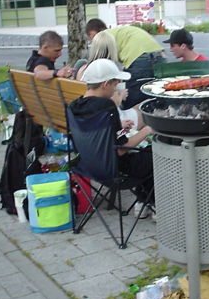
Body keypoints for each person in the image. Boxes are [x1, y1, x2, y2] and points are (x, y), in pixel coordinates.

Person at [69, 59, 154, 212]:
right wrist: (147, 130)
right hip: (114, 170)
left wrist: (119, 127)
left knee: (143, 152)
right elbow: (121, 149)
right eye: (115, 85)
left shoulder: (75, 106)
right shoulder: (106, 106)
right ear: (105, 83)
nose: (116, 90)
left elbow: (96, 133)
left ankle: (143, 203)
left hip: (87, 166)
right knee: (155, 154)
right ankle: (150, 202)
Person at [85, 19, 166, 107]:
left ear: (92, 33)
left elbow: (102, 66)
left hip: (139, 58)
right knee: (156, 94)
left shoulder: (104, 37)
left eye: (91, 39)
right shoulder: (119, 31)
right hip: (159, 55)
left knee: (132, 100)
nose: (93, 42)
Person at [76, 31, 144, 130]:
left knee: (141, 107)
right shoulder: (110, 72)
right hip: (113, 121)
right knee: (147, 110)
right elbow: (113, 104)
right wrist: (121, 95)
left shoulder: (83, 69)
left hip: (92, 121)